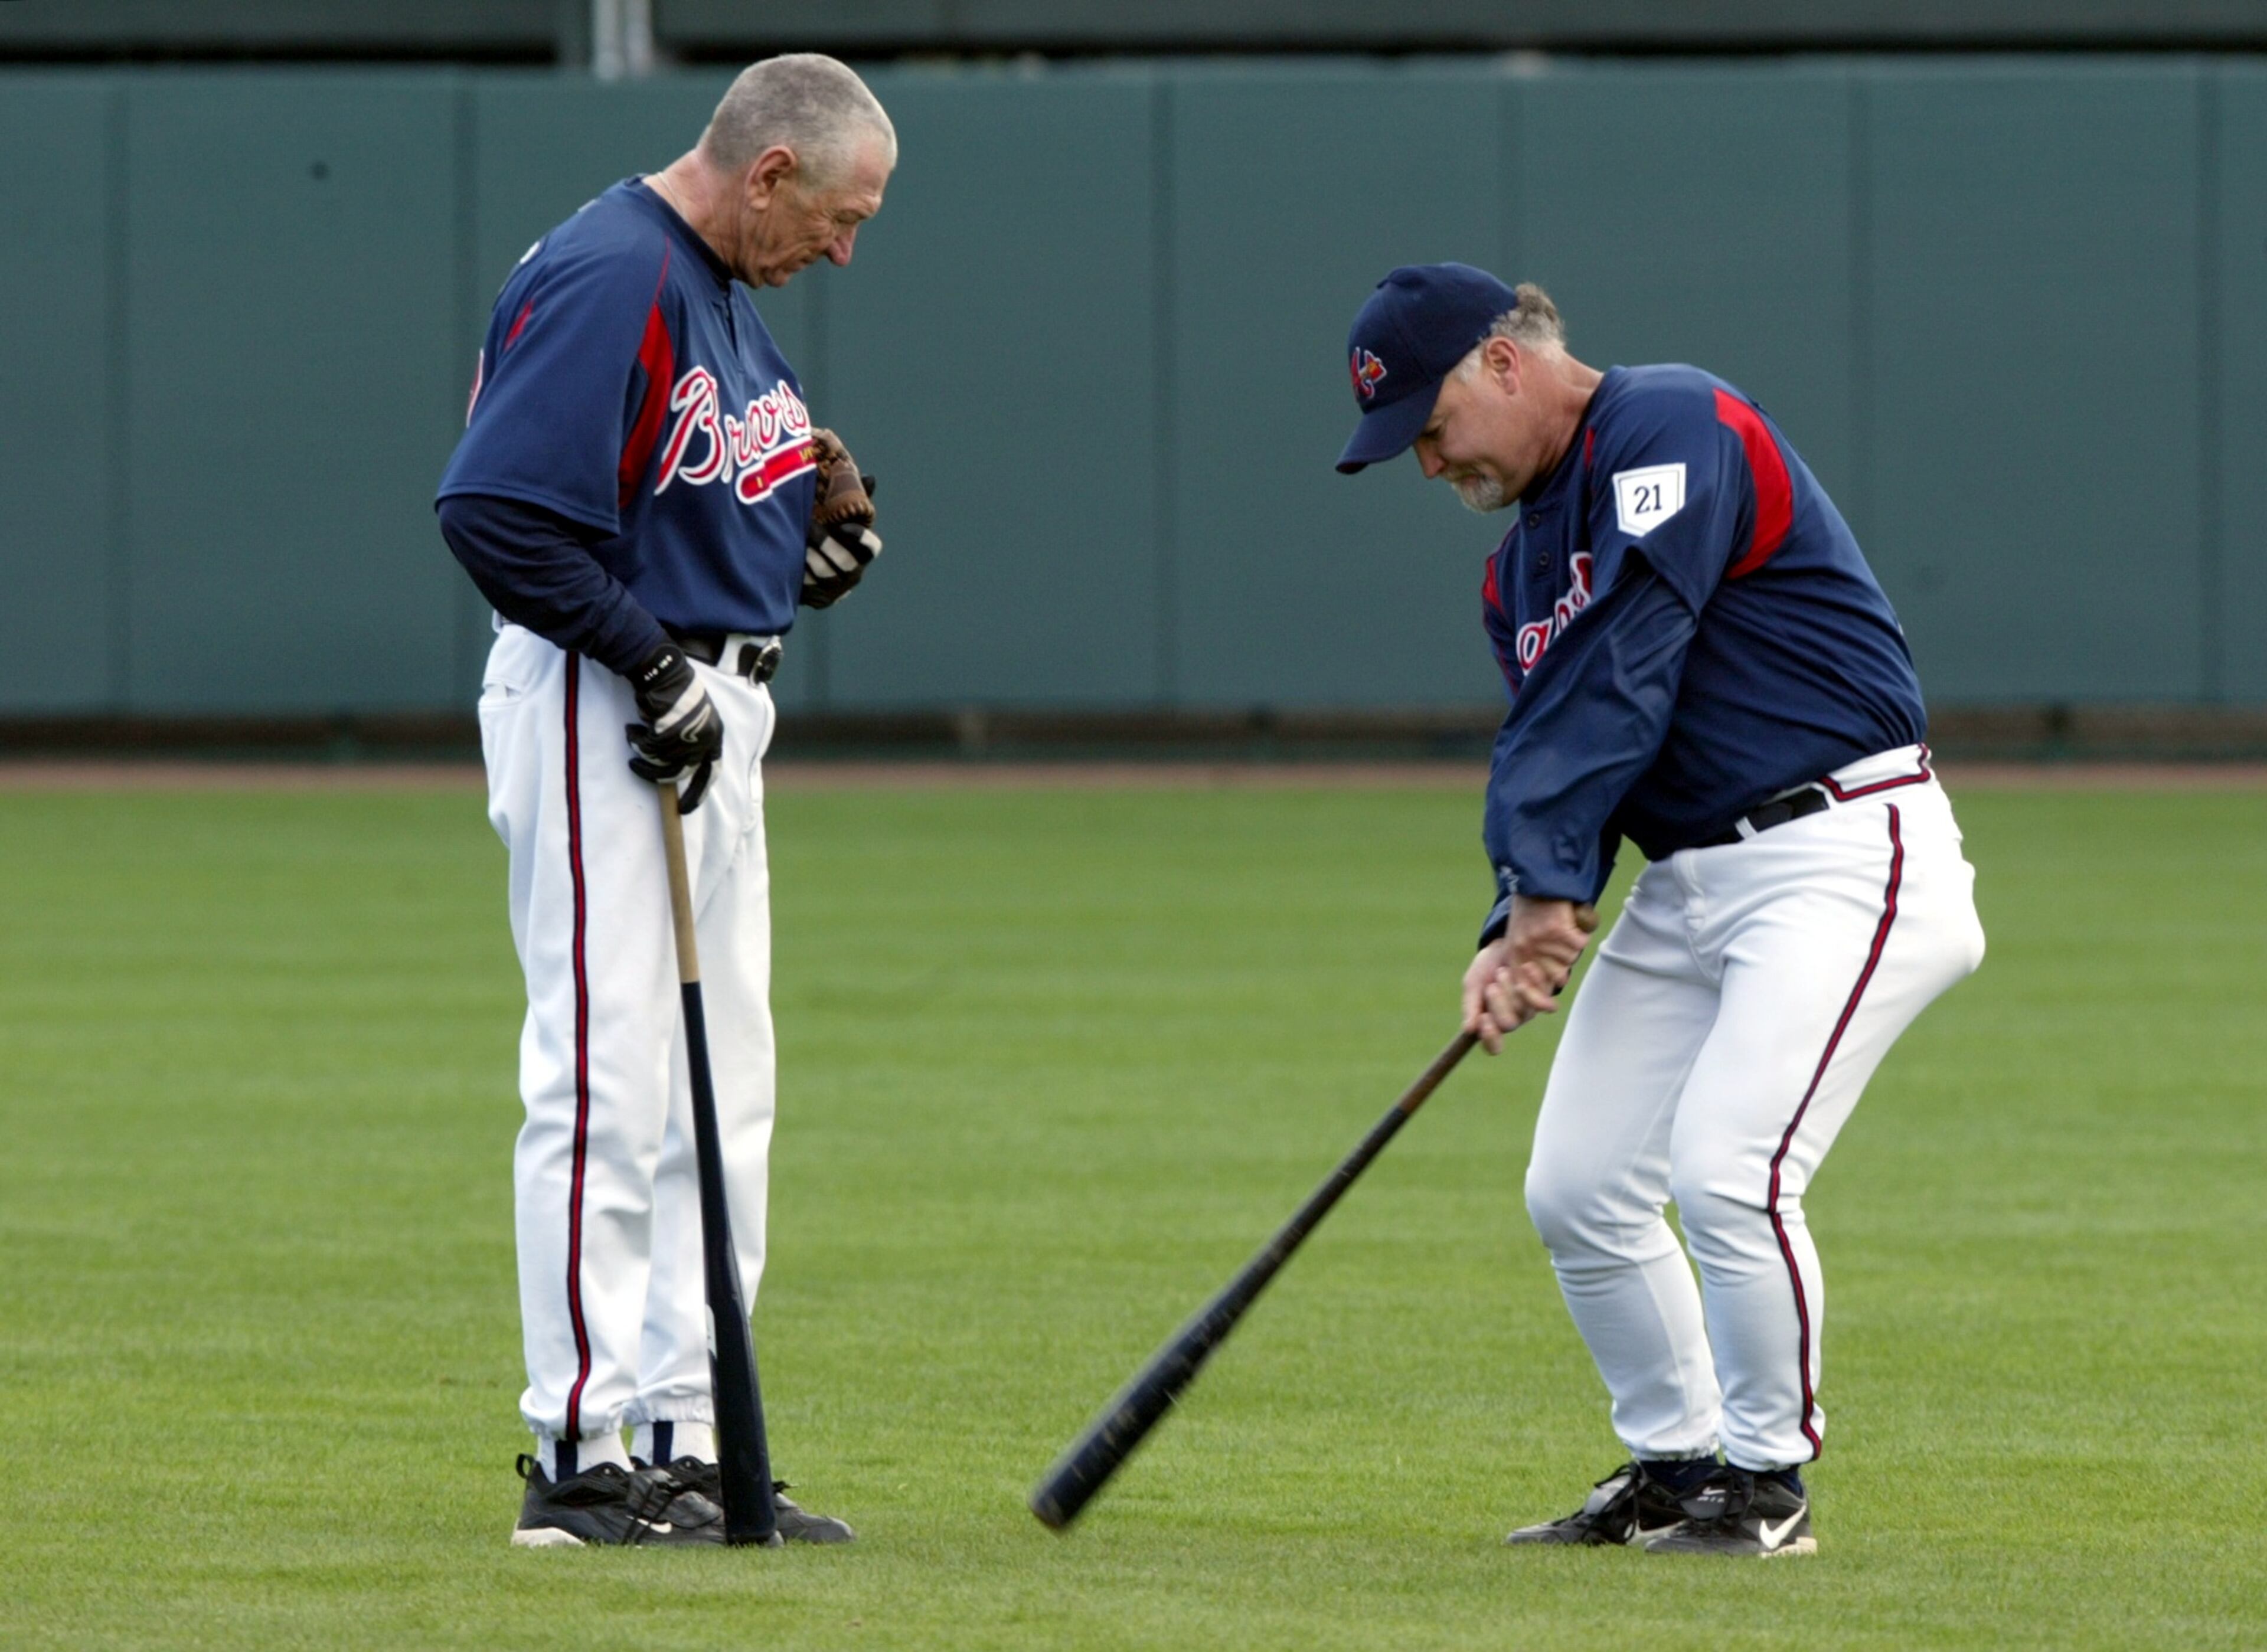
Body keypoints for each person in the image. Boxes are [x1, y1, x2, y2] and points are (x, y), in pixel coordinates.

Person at [1336, 264, 1985, 1558]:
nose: (1426, 461)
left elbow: (1628, 663)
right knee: (1577, 1185)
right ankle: (1679, 1465)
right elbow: (1565, 740)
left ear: (1504, 363)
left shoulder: (1675, 423)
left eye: (1429, 421)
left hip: (1844, 848)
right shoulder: (1512, 577)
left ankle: (1766, 1483)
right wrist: (1516, 918)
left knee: (1730, 1169)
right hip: (1691, 880)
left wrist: (1551, 885)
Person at [433, 53, 894, 1548]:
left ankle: (690, 1436)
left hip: (708, 707)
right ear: (769, 173)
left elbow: (692, 496)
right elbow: (495, 510)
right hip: (601, 705)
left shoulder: (720, 295)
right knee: (611, 1080)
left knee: (722, 1096)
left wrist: (797, 564)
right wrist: (652, 662)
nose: (846, 249)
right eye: (838, 216)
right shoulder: (614, 270)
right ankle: (577, 1452)